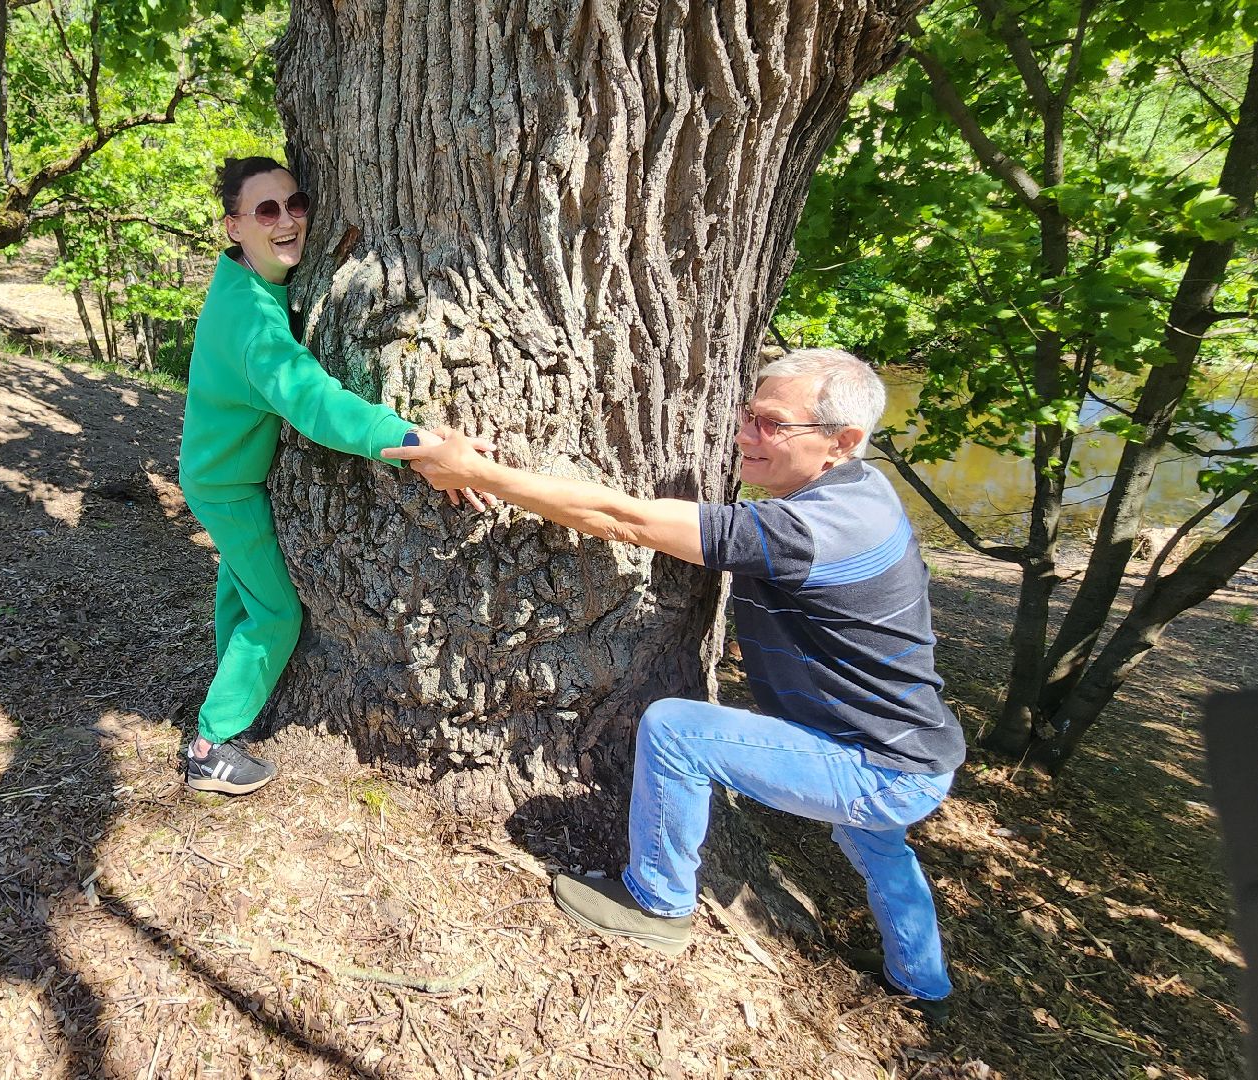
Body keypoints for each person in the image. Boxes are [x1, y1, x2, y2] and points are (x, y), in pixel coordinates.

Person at [383, 348, 966, 1022]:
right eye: (748, 416)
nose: (746, 437)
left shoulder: (816, 527)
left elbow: (624, 520)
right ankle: (924, 987)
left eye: (773, 425)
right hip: (914, 752)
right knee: (875, 843)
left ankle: (658, 903)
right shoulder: (858, 492)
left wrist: (480, 474)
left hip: (880, 765)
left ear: (844, 442)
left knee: (678, 730)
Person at [178, 156, 481, 796]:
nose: (288, 220)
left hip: (217, 473)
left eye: (296, 203)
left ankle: (227, 694)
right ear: (233, 226)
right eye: (266, 211)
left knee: (240, 592)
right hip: (226, 485)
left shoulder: (243, 283)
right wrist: (411, 440)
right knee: (277, 614)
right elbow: (315, 402)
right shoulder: (252, 325)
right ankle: (208, 745)